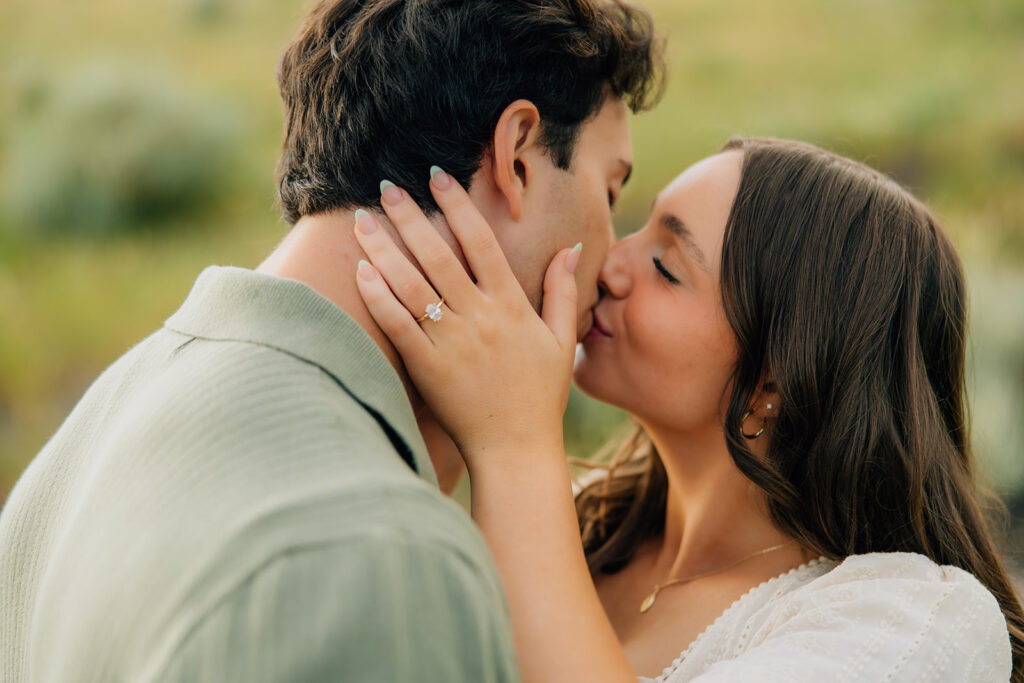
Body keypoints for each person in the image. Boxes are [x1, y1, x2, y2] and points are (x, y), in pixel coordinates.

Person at [0, 1, 663, 681]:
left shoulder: (100, 421)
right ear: (517, 155)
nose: (613, 264)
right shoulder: (376, 557)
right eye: (609, 193)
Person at [352, 137, 1023, 681]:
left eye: (668, 268)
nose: (610, 265)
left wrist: (511, 442)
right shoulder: (581, 528)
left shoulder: (912, 620)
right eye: (638, 229)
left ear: (770, 383)